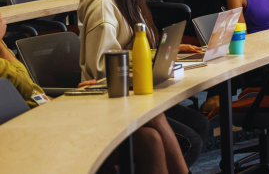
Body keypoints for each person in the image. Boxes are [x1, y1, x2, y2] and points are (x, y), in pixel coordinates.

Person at [78, 0, 209, 169]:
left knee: (199, 124)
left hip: (136, 96)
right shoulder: (103, 7)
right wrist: (146, 64)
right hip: (114, 106)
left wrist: (157, 53)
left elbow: (127, 51)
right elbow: (102, 72)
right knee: (188, 141)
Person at [1, 16, 185, 174]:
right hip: (30, 132)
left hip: (45, 112)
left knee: (152, 124)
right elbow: (19, 82)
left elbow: (30, 89)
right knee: (148, 140)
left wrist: (73, 95)